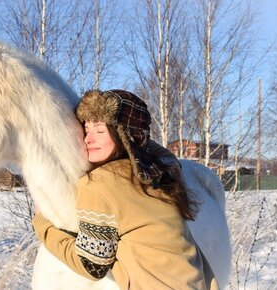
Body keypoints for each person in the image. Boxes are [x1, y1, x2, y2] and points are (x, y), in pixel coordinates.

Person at [32, 90, 217, 289]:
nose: (88, 139)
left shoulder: (98, 184)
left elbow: (91, 266)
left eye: (100, 131)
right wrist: (133, 137)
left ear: (122, 135)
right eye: (86, 130)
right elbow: (164, 154)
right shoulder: (160, 170)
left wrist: (43, 225)